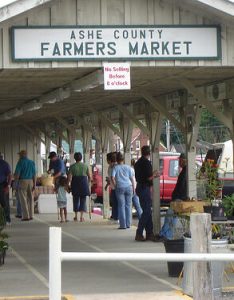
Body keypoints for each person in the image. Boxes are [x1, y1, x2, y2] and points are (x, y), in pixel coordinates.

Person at [159, 153, 188, 240]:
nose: (179, 162)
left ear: (183, 160)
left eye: (180, 160)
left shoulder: (185, 172)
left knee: (169, 216)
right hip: (179, 198)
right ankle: (166, 234)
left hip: (179, 198)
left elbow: (182, 186)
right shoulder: (185, 171)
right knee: (172, 217)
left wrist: (176, 197)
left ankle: (165, 235)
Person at [134, 145, 160, 241]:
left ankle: (149, 233)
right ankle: (139, 232)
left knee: (147, 210)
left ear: (142, 152)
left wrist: (151, 175)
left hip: (139, 187)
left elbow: (141, 176)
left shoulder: (137, 163)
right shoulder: (147, 163)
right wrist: (155, 175)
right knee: (147, 211)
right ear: (149, 153)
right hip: (145, 188)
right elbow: (148, 178)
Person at [111, 152, 135, 229]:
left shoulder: (115, 168)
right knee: (128, 206)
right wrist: (134, 188)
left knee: (121, 206)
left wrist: (115, 185)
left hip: (120, 187)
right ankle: (128, 224)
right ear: (123, 159)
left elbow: (112, 177)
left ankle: (123, 225)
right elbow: (132, 179)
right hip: (129, 187)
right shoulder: (129, 167)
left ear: (116, 160)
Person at [68, 152, 91, 222]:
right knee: (83, 200)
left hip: (75, 183)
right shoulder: (85, 166)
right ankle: (81, 217)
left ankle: (75, 216)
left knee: (75, 200)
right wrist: (89, 184)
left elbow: (69, 178)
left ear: (75, 158)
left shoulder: (72, 166)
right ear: (81, 158)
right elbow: (89, 176)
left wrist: (68, 185)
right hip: (84, 183)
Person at [14, 150, 36, 221]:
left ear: (22, 155)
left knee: (23, 199)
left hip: (22, 181)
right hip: (31, 181)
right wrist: (34, 184)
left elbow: (17, 174)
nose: (19, 156)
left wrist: (15, 183)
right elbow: (34, 174)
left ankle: (26, 216)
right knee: (30, 198)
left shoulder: (20, 162)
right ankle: (31, 215)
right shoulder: (32, 162)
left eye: (20, 155)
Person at [105, 152, 118, 221]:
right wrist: (107, 185)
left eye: (107, 159)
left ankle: (116, 217)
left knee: (117, 202)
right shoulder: (110, 167)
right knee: (114, 202)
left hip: (117, 187)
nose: (106, 160)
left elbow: (115, 177)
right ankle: (114, 216)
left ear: (110, 160)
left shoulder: (116, 166)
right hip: (113, 187)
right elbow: (110, 177)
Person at [0, 153, 12, 225]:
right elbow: (10, 176)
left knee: (5, 203)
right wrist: (8, 186)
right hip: (3, 185)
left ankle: (7, 219)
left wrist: (8, 186)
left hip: (3, 185)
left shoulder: (4, 164)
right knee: (5, 203)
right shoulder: (5, 164)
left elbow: (9, 176)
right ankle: (7, 220)